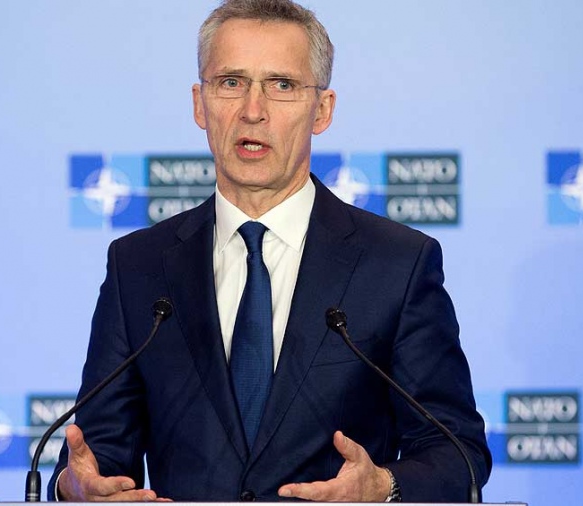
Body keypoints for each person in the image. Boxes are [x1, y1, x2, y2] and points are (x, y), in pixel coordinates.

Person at [49, 0, 491, 501]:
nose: (252, 110)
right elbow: (97, 456)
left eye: (281, 85)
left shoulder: (397, 264)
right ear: (199, 103)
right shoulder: (138, 266)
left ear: (322, 109)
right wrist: (74, 487)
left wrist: (383, 486)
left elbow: (457, 451)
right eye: (231, 82)